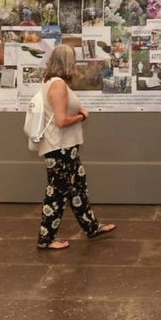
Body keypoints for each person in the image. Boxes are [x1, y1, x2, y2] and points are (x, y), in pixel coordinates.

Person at [35, 44, 116, 249]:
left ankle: (91, 226)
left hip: (65, 147)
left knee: (78, 187)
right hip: (59, 147)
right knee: (57, 193)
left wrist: (77, 107)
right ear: (67, 62)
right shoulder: (59, 85)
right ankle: (46, 239)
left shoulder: (52, 82)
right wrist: (81, 116)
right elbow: (61, 121)